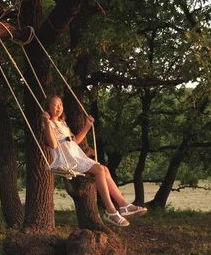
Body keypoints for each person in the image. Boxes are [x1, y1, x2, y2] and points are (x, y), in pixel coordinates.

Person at [41, 95, 147, 227]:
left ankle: (124, 205)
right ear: (48, 108)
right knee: (99, 169)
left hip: (75, 154)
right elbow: (53, 145)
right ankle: (110, 210)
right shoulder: (48, 124)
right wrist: (46, 122)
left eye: (60, 105)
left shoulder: (63, 123)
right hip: (66, 159)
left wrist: (87, 126)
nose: (58, 108)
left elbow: (75, 141)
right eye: (55, 105)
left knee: (104, 169)